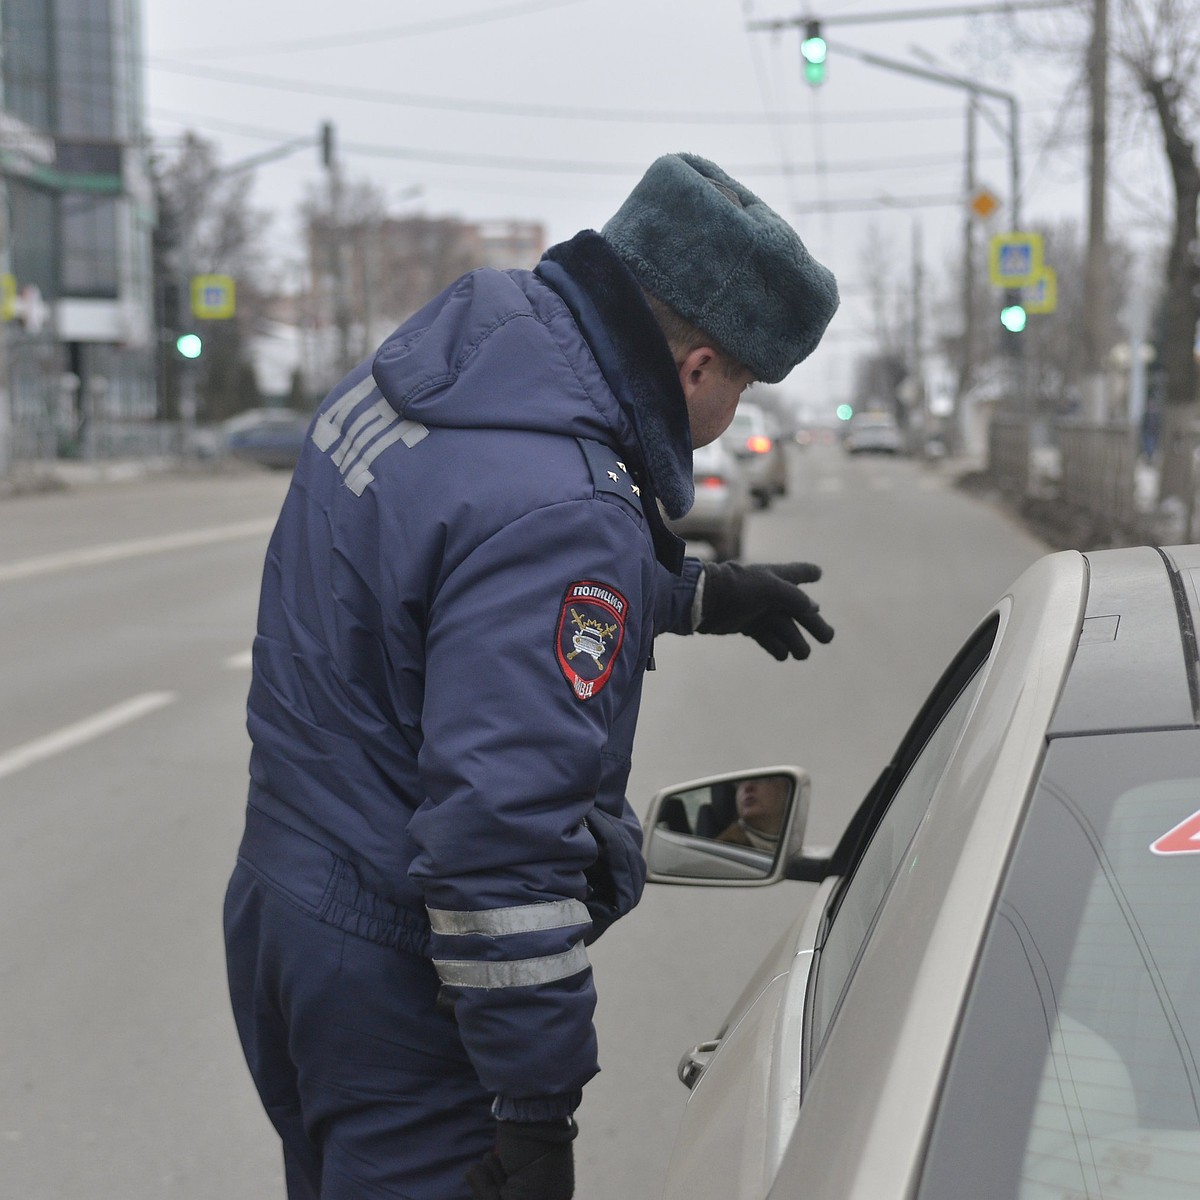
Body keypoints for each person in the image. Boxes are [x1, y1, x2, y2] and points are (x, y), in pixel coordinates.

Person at [223, 151, 839, 1200]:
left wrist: (688, 594)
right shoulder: (568, 510)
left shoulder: (459, 361)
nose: (733, 409)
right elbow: (498, 844)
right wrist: (536, 1106)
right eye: (741, 383)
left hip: (288, 903)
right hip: (398, 982)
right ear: (695, 368)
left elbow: (444, 587)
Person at [716, 775, 792, 852]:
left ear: (787, 790)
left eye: (761, 779)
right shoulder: (725, 847)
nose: (747, 787)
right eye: (740, 782)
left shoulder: (797, 840)